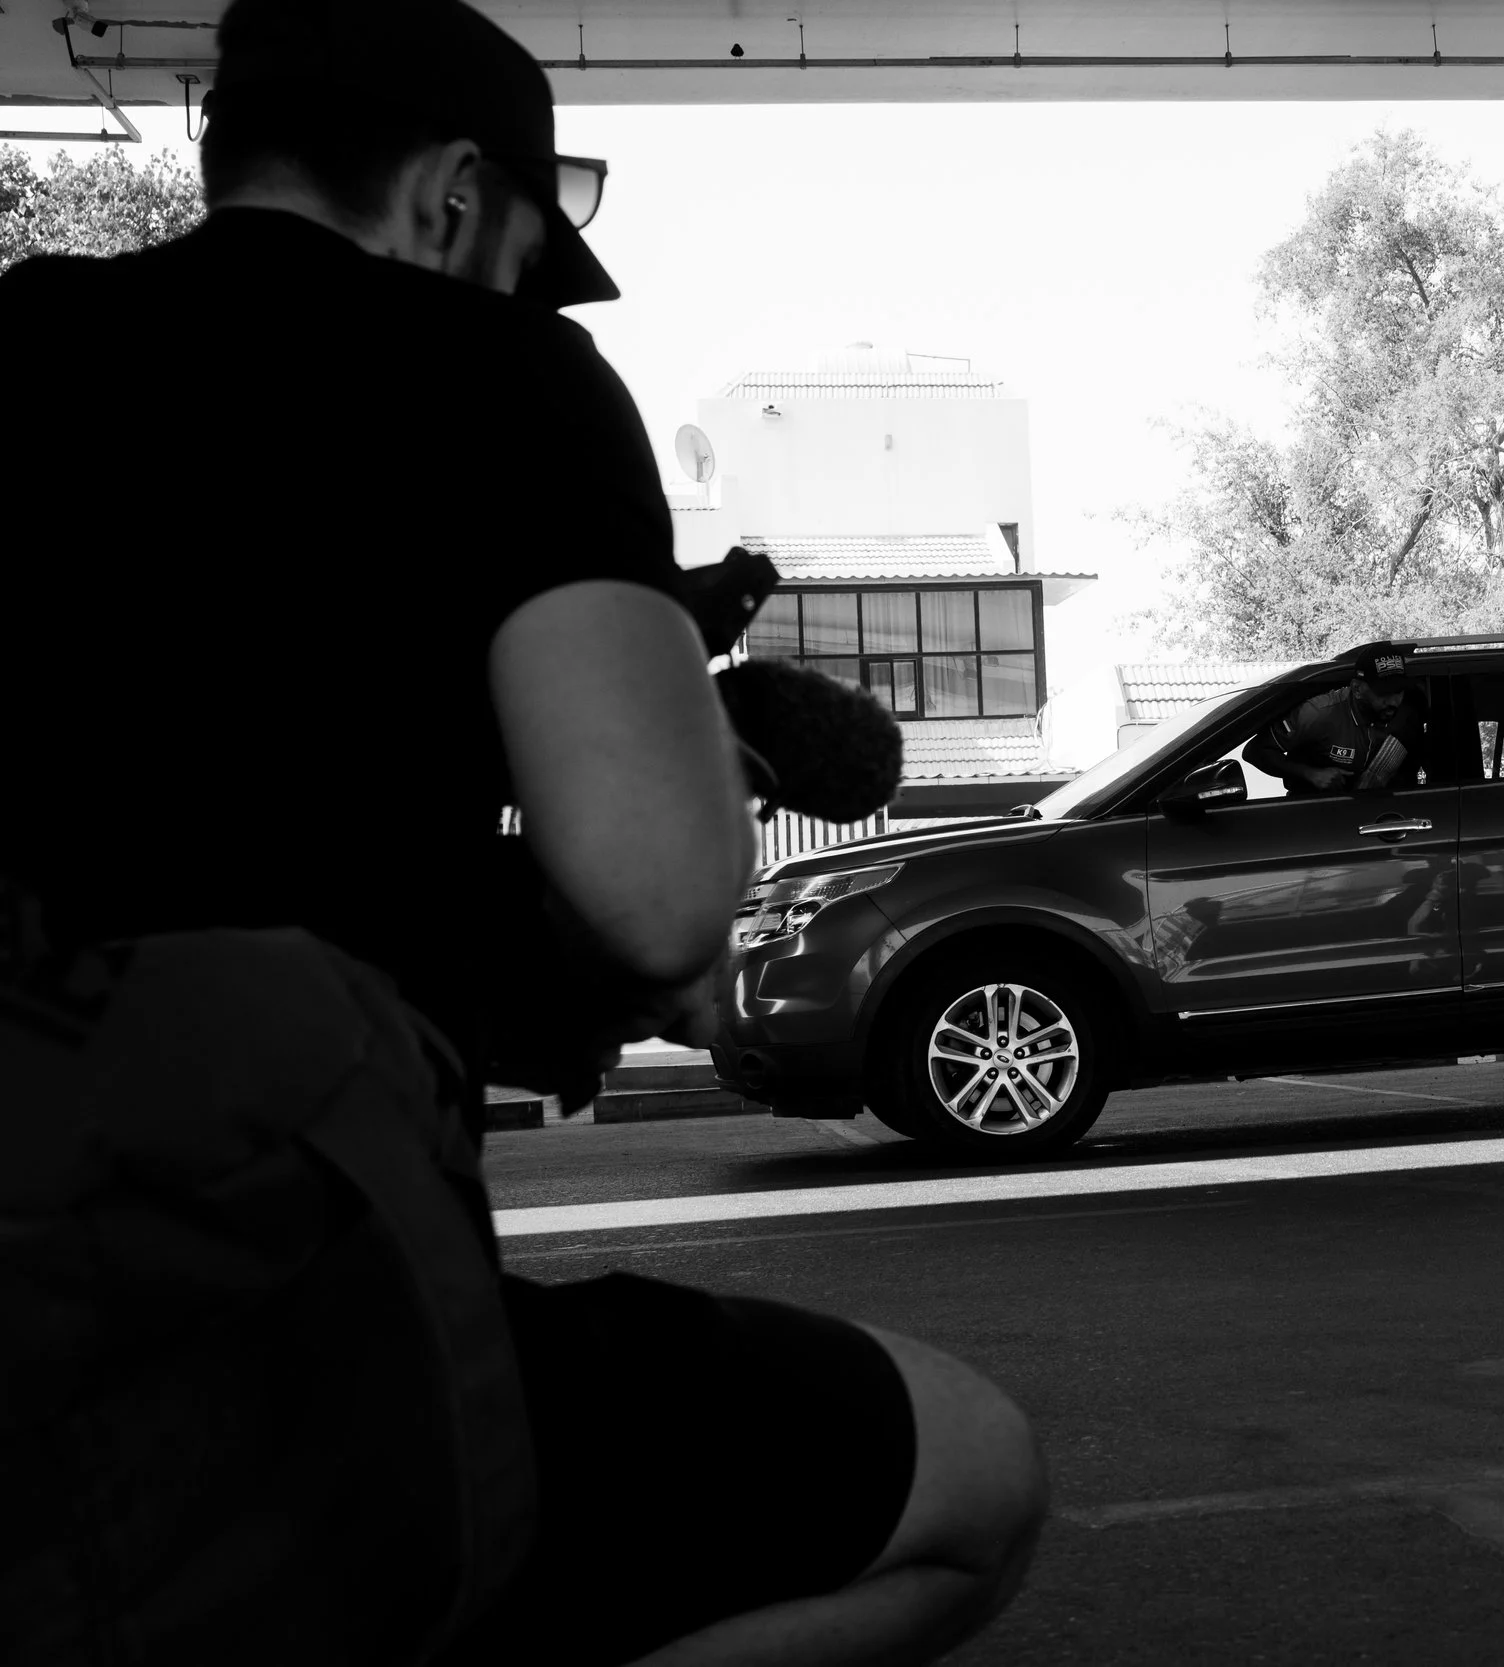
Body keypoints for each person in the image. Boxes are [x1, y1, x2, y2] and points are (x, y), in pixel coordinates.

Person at [0, 3, 1043, 1663]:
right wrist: (695, 751)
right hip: (306, 1306)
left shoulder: (24, 341)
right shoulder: (505, 375)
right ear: (453, 197)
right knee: (976, 1482)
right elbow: (652, 901)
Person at [1244, 644, 1427, 794]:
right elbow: (1255, 751)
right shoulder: (1318, 713)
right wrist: (1311, 774)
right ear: (1357, 689)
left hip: (1382, 815)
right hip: (1315, 815)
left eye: (1399, 692)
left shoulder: (1407, 716)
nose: (1393, 701)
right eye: (1384, 693)